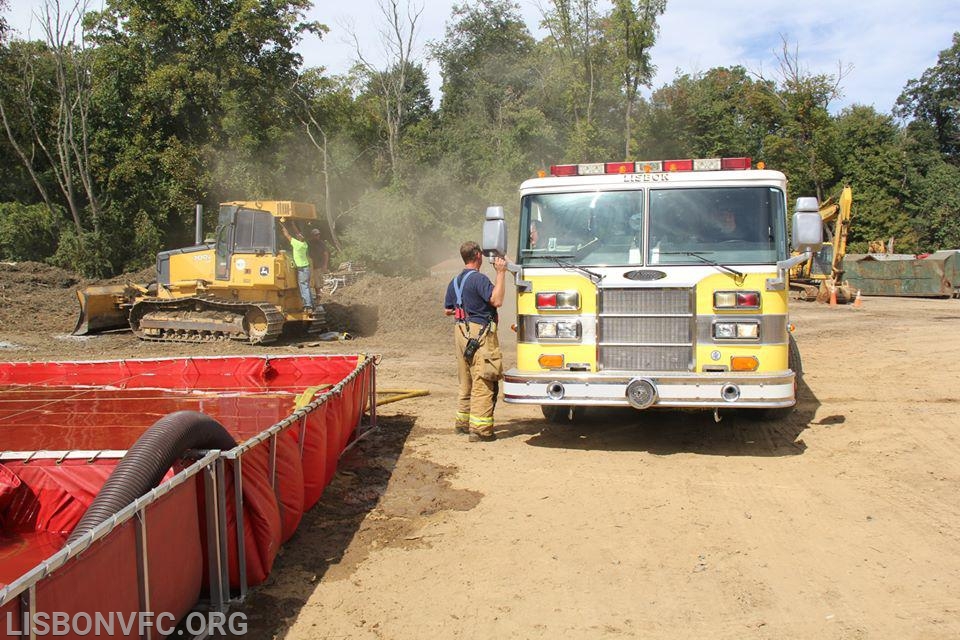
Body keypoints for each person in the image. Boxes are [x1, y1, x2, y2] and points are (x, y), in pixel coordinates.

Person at [443, 241, 508, 442]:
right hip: (479, 333)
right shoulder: (479, 279)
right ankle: (480, 431)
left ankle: (462, 424)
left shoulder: (455, 281)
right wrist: (501, 273)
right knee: (484, 379)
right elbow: (496, 301)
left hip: (460, 332)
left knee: (466, 380)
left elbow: (447, 310)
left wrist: (466, 309)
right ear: (478, 255)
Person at [280, 220, 315, 314]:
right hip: (306, 268)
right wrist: (293, 223)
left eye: (299, 236)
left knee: (304, 287)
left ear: (299, 239)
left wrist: (283, 227)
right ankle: (312, 304)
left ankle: (308, 305)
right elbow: (297, 233)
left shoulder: (297, 245)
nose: (298, 235)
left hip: (302, 269)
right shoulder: (304, 244)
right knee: (307, 287)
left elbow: (288, 236)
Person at [308, 227, 329, 299]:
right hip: (310, 266)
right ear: (312, 235)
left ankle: (318, 298)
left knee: (318, 284)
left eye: (318, 235)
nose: (317, 236)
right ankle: (313, 298)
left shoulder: (321, 243)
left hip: (318, 266)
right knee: (311, 284)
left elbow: (325, 254)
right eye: (316, 235)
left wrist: (325, 265)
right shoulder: (309, 243)